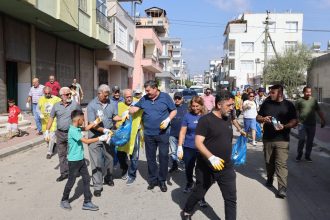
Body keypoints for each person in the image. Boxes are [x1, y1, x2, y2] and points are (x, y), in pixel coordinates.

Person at [181, 90, 237, 220]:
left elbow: (226, 140)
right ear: (219, 105)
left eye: (232, 105)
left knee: (230, 199)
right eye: (229, 105)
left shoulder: (228, 119)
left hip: (226, 167)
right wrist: (211, 157)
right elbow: (198, 142)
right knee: (199, 192)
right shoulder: (206, 120)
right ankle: (187, 211)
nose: (232, 108)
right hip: (206, 167)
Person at [129, 80, 177, 192]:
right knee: (150, 159)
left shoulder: (165, 97)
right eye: (146, 91)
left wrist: (168, 119)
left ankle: (162, 180)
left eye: (148, 91)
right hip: (149, 134)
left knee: (163, 157)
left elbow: (174, 111)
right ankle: (153, 180)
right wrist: (129, 110)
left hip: (163, 134)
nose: (147, 93)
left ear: (155, 88)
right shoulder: (144, 99)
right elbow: (135, 108)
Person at [60, 109, 107, 211]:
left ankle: (87, 202)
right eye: (83, 119)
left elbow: (86, 128)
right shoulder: (73, 131)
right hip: (74, 161)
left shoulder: (76, 128)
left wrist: (96, 121)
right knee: (71, 181)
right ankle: (64, 200)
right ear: (78, 120)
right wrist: (100, 138)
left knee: (86, 179)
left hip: (80, 159)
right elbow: (86, 141)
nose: (84, 121)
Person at [257, 84, 298, 198]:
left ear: (280, 93)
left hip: (282, 139)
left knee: (281, 163)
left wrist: (285, 126)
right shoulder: (267, 103)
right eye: (270, 92)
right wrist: (263, 119)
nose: (270, 94)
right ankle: (270, 177)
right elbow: (258, 117)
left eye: (272, 92)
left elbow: (294, 121)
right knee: (269, 162)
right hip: (268, 138)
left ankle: (282, 188)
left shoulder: (289, 105)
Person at [87, 84, 122, 197]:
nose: (107, 97)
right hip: (95, 136)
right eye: (105, 95)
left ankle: (108, 177)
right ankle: (97, 186)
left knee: (110, 159)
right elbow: (92, 125)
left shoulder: (111, 103)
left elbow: (114, 116)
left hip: (108, 136)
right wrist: (104, 129)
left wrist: (123, 117)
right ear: (99, 94)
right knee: (96, 162)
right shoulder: (92, 105)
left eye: (108, 95)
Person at [177, 96, 208, 208]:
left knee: (200, 173)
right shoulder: (187, 116)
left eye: (197, 106)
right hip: (189, 147)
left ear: (201, 105)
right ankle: (189, 182)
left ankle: (201, 197)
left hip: (202, 148)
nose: (195, 108)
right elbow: (182, 132)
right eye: (193, 106)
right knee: (189, 168)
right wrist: (180, 146)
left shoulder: (205, 116)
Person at [45, 87, 81, 182]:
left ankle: (74, 171)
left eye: (70, 94)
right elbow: (51, 118)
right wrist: (47, 131)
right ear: (61, 96)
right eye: (67, 94)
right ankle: (64, 173)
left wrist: (81, 129)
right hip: (60, 133)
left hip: (71, 133)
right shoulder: (56, 106)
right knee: (61, 154)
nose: (69, 96)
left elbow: (81, 116)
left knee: (72, 154)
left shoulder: (75, 105)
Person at [117, 89, 144, 185]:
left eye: (130, 96)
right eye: (126, 97)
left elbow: (145, 115)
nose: (128, 98)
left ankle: (132, 175)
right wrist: (121, 118)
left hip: (134, 134)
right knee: (120, 154)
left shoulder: (138, 104)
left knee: (134, 156)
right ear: (123, 97)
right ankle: (124, 168)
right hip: (122, 135)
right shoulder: (119, 105)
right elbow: (115, 117)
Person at [295, 86, 326, 162]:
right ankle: (299, 155)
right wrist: (296, 120)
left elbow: (318, 111)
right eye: (307, 92)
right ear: (303, 92)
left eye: (310, 92)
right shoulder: (299, 101)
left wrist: (322, 119)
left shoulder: (314, 100)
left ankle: (307, 156)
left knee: (310, 141)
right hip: (302, 124)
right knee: (301, 139)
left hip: (312, 124)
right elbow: (296, 112)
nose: (309, 93)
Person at [37, 86, 61, 159]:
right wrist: (39, 114)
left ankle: (49, 152)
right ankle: (53, 144)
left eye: (48, 93)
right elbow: (37, 108)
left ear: (51, 92)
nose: (47, 94)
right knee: (46, 138)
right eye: (46, 93)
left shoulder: (56, 99)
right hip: (44, 121)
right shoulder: (41, 99)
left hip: (53, 120)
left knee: (52, 136)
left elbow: (62, 102)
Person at [168, 92, 188, 173]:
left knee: (183, 151)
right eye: (175, 98)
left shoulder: (187, 107)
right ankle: (174, 165)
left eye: (179, 98)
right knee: (173, 151)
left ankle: (185, 165)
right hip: (172, 134)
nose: (177, 100)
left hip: (183, 134)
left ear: (182, 99)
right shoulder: (171, 107)